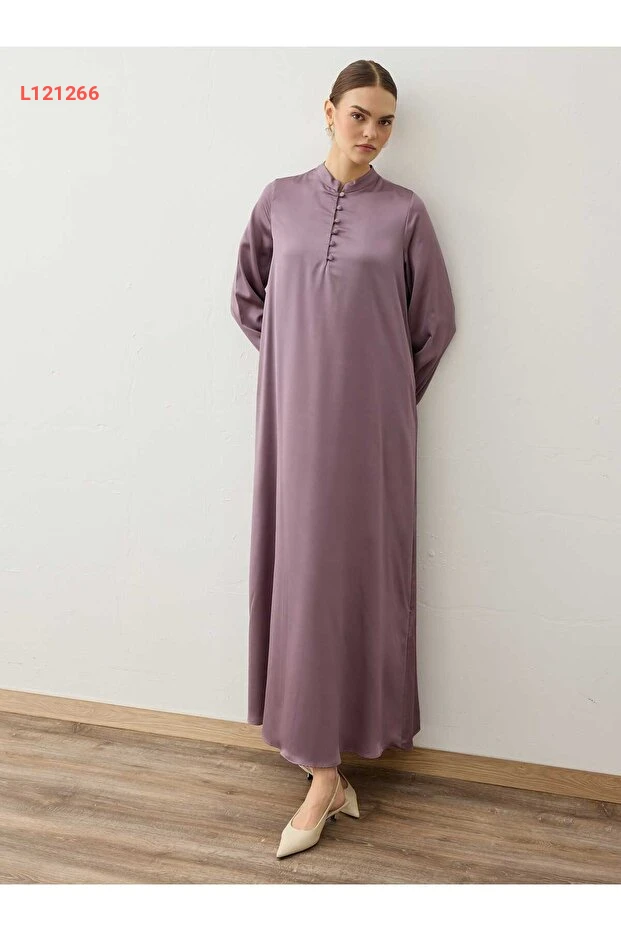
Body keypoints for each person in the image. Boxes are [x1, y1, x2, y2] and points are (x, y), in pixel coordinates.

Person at [230, 59, 456, 858]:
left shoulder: (404, 212)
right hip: (293, 427)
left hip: (372, 435)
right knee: (302, 577)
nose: (371, 132)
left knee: (353, 577)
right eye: (359, 114)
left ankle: (329, 769)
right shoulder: (278, 201)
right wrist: (301, 369)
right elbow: (248, 296)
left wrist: (376, 394)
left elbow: (433, 325)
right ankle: (321, 768)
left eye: (385, 121)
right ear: (328, 111)